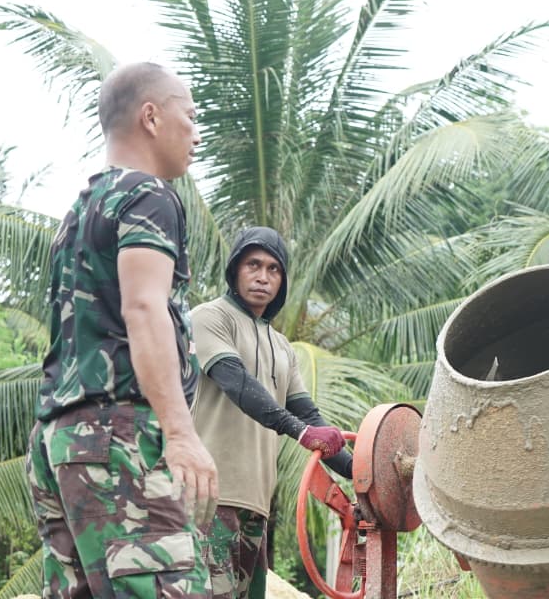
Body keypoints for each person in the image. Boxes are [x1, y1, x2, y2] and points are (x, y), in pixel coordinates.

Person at [26, 62, 215, 598]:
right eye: (190, 116)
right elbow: (144, 307)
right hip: (118, 436)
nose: (196, 134)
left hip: (58, 441)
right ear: (151, 118)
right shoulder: (147, 196)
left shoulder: (78, 212)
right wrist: (180, 433)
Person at [191, 226, 353, 599]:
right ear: (235, 269)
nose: (263, 277)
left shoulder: (282, 346)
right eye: (253, 265)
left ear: (282, 280)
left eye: (273, 269)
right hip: (209, 501)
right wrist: (301, 432)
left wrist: (361, 471)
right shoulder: (209, 318)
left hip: (256, 508)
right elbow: (237, 384)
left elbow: (310, 417)